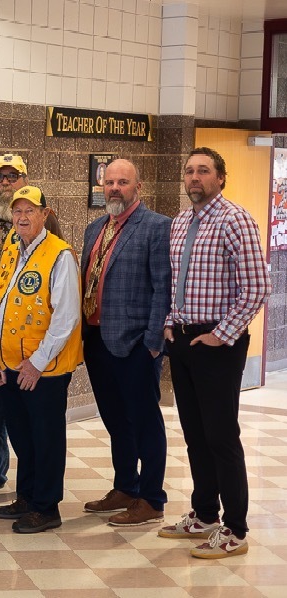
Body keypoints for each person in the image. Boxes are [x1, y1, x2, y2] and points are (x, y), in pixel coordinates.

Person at [160, 147, 270, 559]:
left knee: (221, 436)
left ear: (220, 178)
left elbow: (257, 287)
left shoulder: (234, 219)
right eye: (189, 171)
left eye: (203, 171)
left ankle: (235, 529)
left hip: (217, 343)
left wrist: (221, 334)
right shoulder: (181, 221)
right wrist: (172, 320)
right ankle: (204, 514)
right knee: (195, 435)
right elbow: (178, 282)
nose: (194, 178)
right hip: (185, 340)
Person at [0, 153, 64, 494]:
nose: (6, 183)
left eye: (12, 176)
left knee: (30, 422)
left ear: (26, 180)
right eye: (0, 177)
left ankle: (36, 493)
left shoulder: (46, 224)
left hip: (33, 343)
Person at [80, 159, 171, 526]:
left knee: (145, 421)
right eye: (110, 182)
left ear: (138, 186)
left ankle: (151, 498)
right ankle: (125, 487)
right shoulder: (95, 228)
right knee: (116, 420)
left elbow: (163, 288)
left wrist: (152, 343)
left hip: (134, 343)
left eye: (123, 182)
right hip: (97, 340)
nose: (114, 188)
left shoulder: (156, 227)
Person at [0, 185, 82, 534]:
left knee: (46, 438)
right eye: (17, 211)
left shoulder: (59, 255)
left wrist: (37, 362)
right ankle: (26, 496)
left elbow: (67, 316)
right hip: (11, 364)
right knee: (22, 437)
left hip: (45, 369)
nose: (22, 217)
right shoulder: (13, 250)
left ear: (45, 214)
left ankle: (47, 506)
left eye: (30, 210)